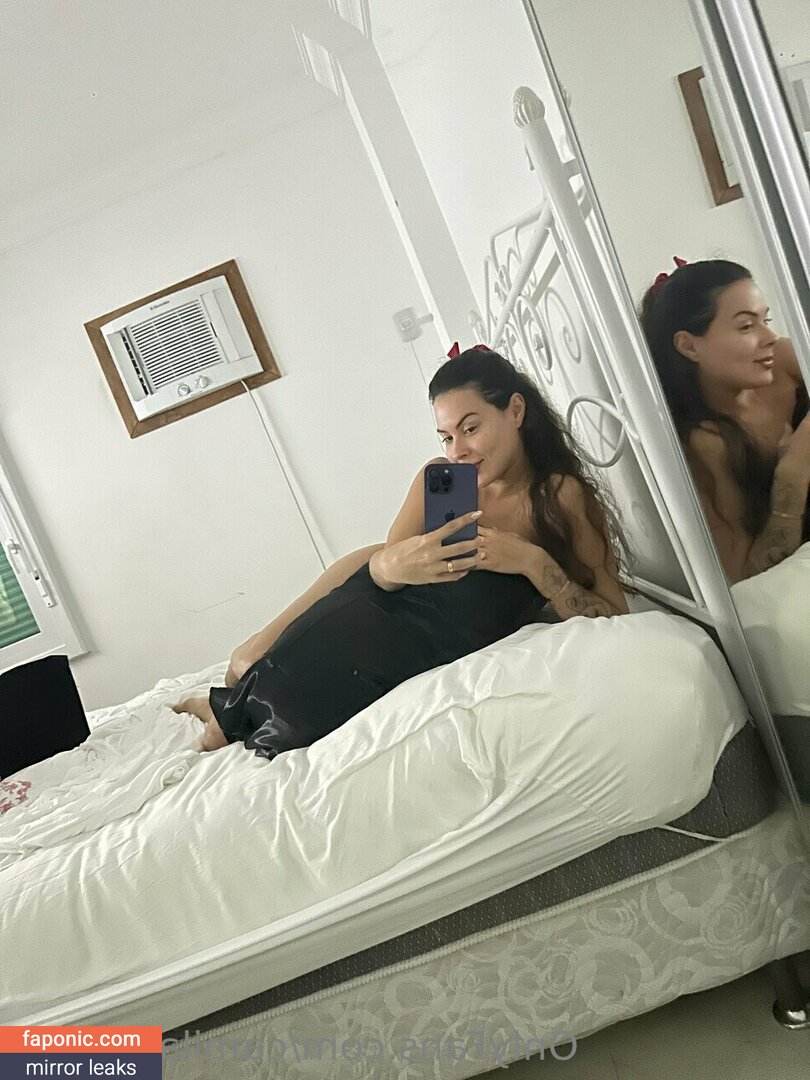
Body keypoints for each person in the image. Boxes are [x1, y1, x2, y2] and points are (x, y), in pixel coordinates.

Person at [174, 348, 629, 756]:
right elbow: (382, 572)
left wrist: (532, 562)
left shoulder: (560, 498)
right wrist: (408, 560)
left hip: (417, 637)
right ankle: (232, 703)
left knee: (275, 696)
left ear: (515, 410)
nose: (459, 451)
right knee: (249, 664)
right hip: (376, 597)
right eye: (446, 436)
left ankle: (231, 709)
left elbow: (614, 613)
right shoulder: (442, 478)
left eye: (471, 429)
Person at [640, 258, 810, 584]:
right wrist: (793, 475)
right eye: (746, 326)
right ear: (689, 346)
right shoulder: (705, 444)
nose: (770, 336)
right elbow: (744, 580)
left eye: (766, 320)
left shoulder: (784, 361)